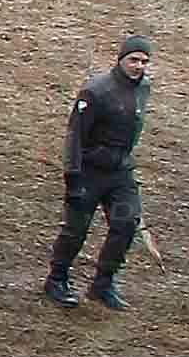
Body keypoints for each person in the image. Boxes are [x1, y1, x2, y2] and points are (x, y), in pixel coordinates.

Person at [47, 38, 154, 307]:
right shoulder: (97, 91)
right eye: (133, 60)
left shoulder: (144, 88)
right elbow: (75, 135)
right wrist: (72, 177)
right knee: (76, 229)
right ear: (120, 59)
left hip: (120, 172)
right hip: (89, 171)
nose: (138, 66)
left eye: (143, 61)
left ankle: (103, 283)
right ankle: (56, 279)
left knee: (127, 223)